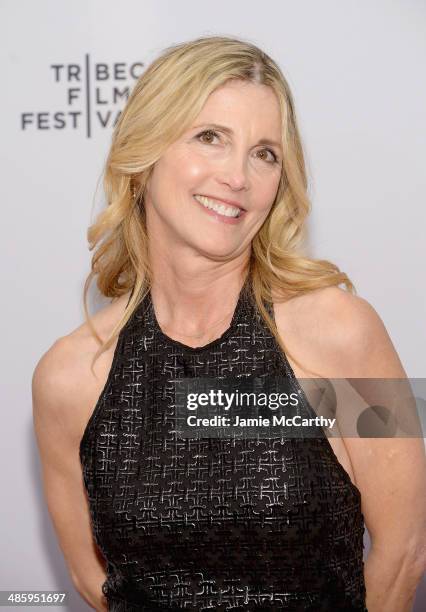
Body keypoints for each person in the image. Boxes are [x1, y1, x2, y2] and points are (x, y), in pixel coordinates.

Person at [32, 35, 426, 612]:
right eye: (210, 137)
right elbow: (95, 581)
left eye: (264, 152)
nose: (238, 176)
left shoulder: (343, 333)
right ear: (144, 158)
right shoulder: (68, 379)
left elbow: (404, 552)